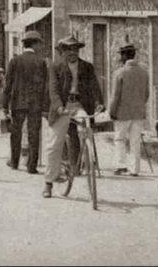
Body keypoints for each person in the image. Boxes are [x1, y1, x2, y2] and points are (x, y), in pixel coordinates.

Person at [42, 35, 104, 199]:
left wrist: (98, 102)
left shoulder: (87, 67)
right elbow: (53, 91)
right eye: (68, 49)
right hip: (62, 108)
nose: (72, 52)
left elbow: (94, 87)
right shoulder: (56, 67)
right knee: (54, 144)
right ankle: (48, 183)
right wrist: (59, 107)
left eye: (75, 49)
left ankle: (85, 160)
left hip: (79, 106)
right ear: (62, 51)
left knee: (86, 131)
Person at [1, 31, 49, 174]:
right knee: (34, 134)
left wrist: (4, 105)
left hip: (18, 103)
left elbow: (7, 85)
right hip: (35, 104)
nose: (40, 46)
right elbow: (45, 86)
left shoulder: (14, 61)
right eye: (39, 43)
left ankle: (14, 162)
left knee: (16, 133)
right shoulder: (41, 62)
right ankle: (31, 166)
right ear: (34, 44)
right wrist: (45, 106)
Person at [108, 44, 150, 176]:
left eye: (121, 55)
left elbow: (116, 96)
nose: (120, 57)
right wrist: (139, 105)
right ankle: (135, 169)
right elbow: (146, 94)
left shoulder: (119, 73)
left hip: (122, 113)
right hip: (138, 113)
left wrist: (112, 112)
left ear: (125, 56)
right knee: (135, 142)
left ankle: (120, 165)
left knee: (120, 139)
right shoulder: (144, 72)